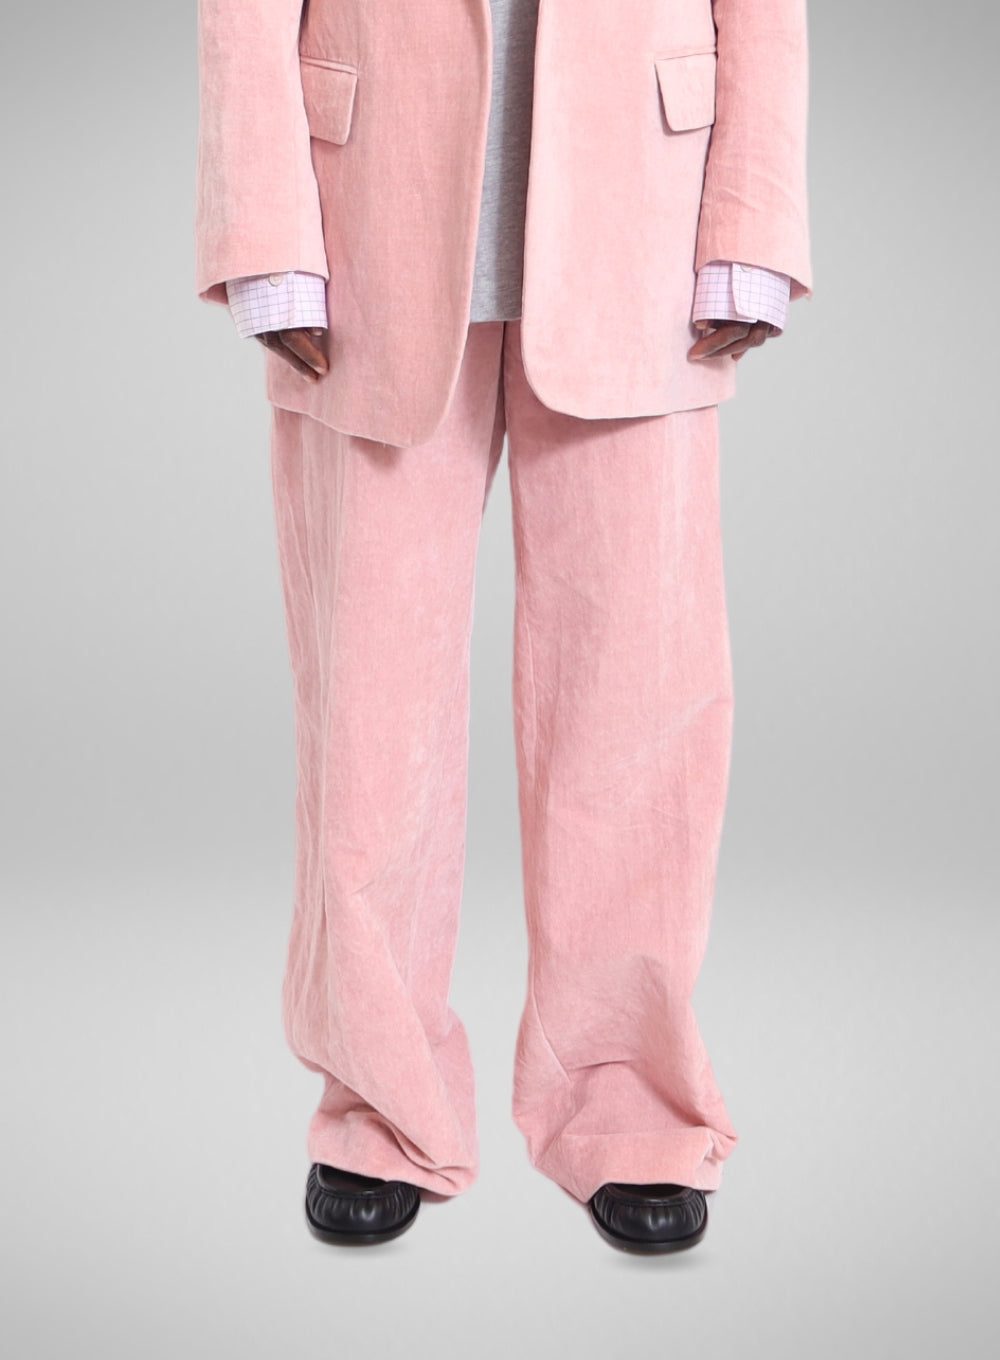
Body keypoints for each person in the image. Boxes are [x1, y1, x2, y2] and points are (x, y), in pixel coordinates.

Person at [194, 0, 812, 1254]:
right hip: (367, 218)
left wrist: (751, 221)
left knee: (640, 710)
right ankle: (379, 1105)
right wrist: (264, 230)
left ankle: (629, 1104)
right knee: (368, 710)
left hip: (642, 216)